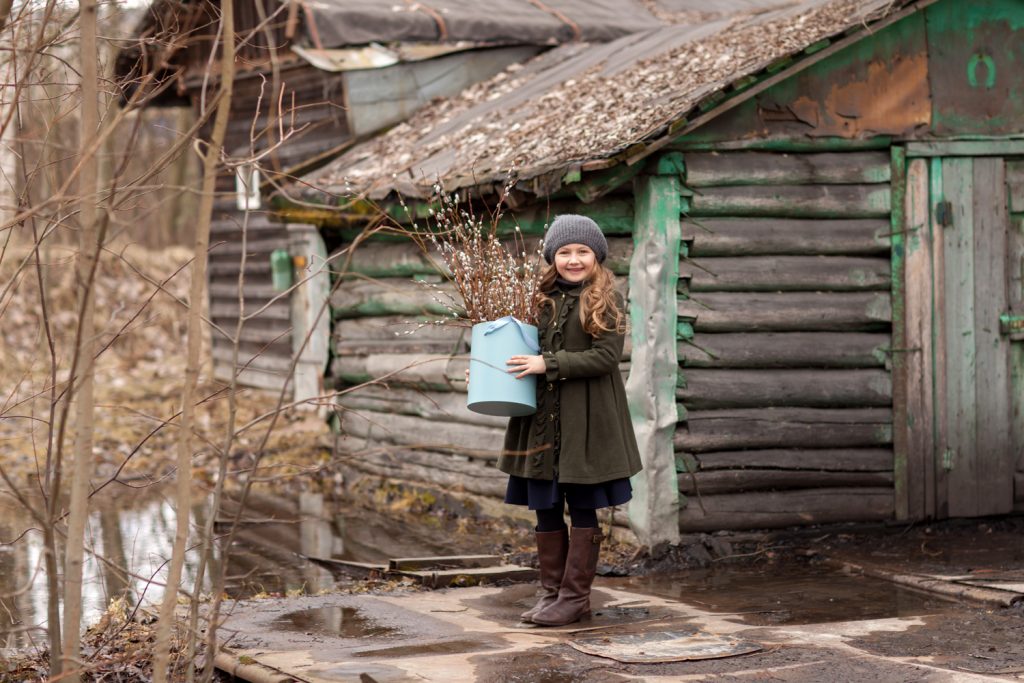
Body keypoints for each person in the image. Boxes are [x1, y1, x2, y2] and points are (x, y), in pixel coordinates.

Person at [499, 214, 642, 627]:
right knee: (545, 505)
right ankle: (551, 592)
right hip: (543, 421)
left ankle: (575, 597)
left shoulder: (606, 300)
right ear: (552, 257)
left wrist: (548, 362)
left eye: (582, 252)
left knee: (582, 504)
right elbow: (518, 349)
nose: (573, 259)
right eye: (564, 252)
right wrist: (491, 370)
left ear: (596, 256)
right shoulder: (537, 300)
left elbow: (606, 357)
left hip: (587, 420)